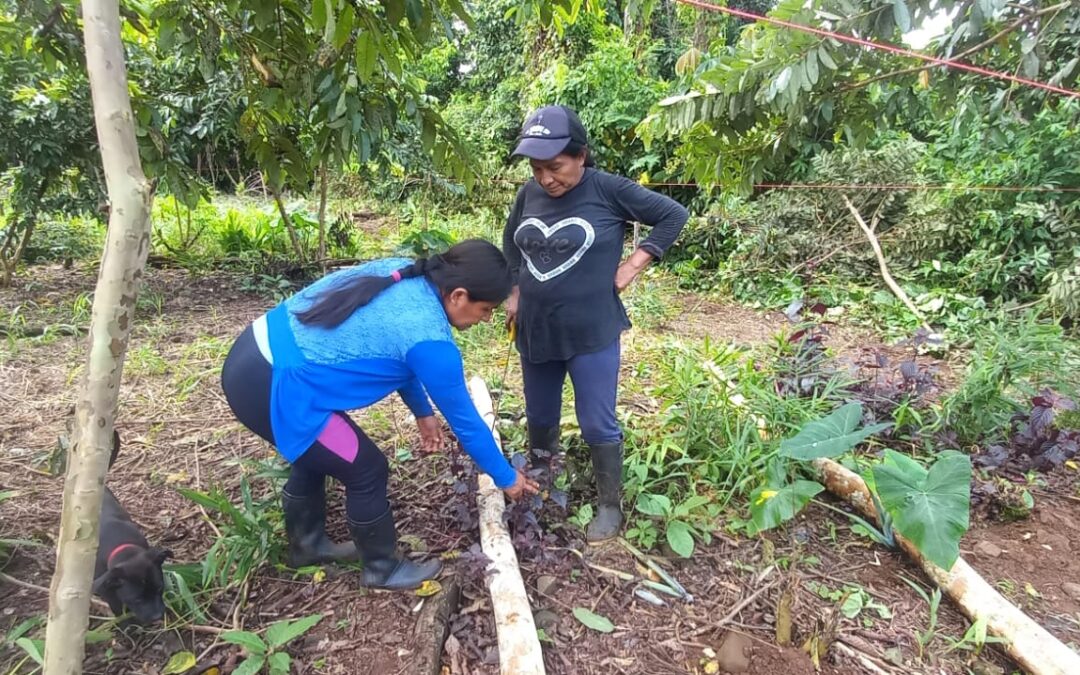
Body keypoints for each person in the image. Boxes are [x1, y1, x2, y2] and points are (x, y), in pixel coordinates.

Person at [221, 239, 540, 591]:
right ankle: (381, 568)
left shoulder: (406, 275)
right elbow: (466, 423)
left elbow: (398, 355)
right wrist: (506, 478)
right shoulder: (431, 340)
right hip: (276, 384)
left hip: (254, 354)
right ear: (458, 296)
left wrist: (422, 411)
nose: (487, 319)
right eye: (486, 309)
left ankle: (307, 546)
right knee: (367, 468)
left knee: (316, 454)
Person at [503, 105, 688, 542]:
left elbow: (673, 215)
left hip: (592, 331)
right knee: (540, 416)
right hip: (536, 328)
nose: (546, 178)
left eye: (555, 166)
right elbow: (511, 243)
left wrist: (634, 265)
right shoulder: (528, 194)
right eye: (536, 167)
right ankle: (542, 486)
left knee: (596, 422)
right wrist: (513, 291)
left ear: (581, 155)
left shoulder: (606, 189)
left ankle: (609, 505)